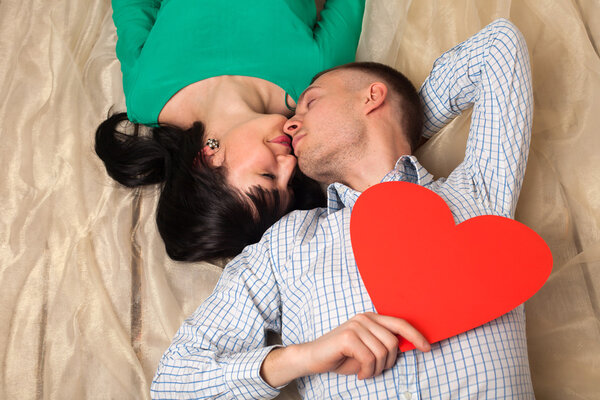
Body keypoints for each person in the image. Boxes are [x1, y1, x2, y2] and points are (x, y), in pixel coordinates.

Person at [151, 19, 534, 399]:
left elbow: (498, 47)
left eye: (311, 101)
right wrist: (305, 357)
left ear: (371, 97)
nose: (292, 123)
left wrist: (398, 121)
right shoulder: (284, 245)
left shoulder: (478, 192)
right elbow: (173, 385)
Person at [95, 0, 365, 261]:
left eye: (268, 174)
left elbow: (133, 5)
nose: (290, 163)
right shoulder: (315, 83)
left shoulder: (146, 97)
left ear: (206, 160)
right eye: (289, 182)